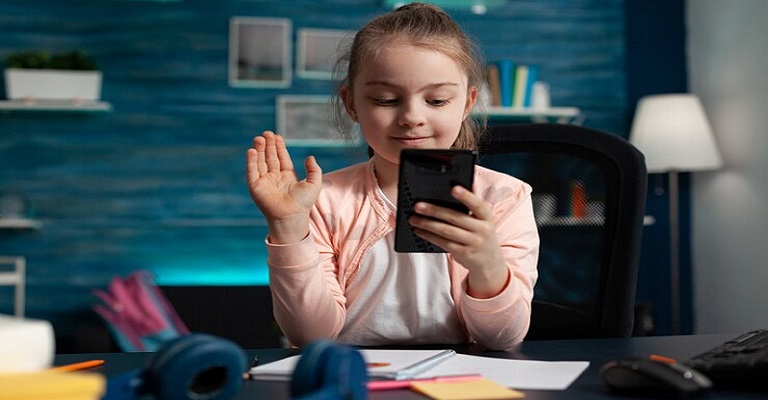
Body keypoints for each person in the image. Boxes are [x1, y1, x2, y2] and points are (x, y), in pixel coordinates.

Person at [246, 3, 539, 351]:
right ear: (352, 104)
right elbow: (309, 337)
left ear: (467, 103)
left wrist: (487, 262)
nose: (412, 117)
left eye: (437, 100)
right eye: (386, 99)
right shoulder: (322, 200)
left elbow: (503, 338)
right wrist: (288, 228)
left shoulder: (504, 197)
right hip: (352, 372)